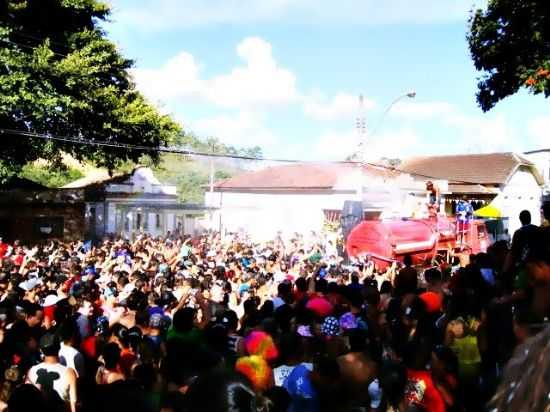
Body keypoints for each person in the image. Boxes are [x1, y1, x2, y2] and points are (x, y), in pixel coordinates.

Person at [26, 333, 77, 412]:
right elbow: (73, 404)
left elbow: (26, 400)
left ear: (41, 350)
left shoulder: (32, 371)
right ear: (59, 347)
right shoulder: (69, 373)